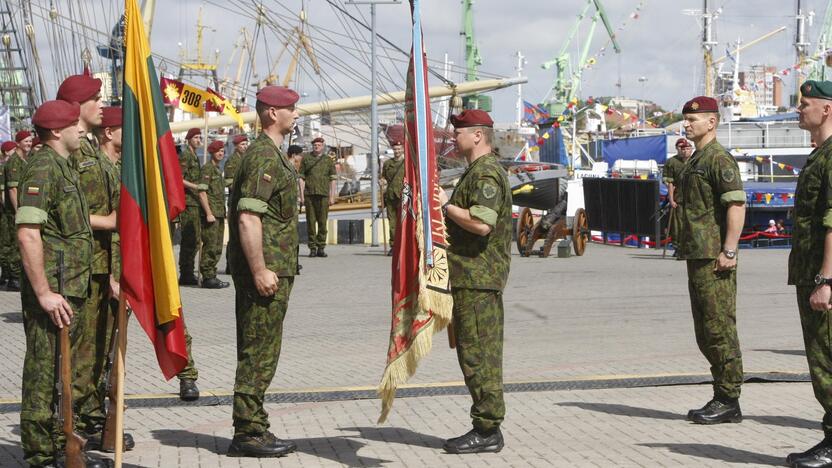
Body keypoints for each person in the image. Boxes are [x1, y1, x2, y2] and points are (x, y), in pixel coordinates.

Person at [17, 99, 110, 467]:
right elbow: (28, 233)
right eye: (75, 124)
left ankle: (58, 446)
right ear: (56, 131)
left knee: (60, 371)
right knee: (43, 371)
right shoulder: (42, 168)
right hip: (53, 292)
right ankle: (41, 456)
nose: (82, 129)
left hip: (69, 287)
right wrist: (43, 292)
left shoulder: (61, 165)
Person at [58, 75, 134, 452]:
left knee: (99, 348)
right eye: (96, 100)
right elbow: (76, 215)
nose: (102, 107)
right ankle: (77, 423)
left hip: (103, 266)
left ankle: (89, 419)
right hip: (87, 268)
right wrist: (109, 222)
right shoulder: (83, 159)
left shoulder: (92, 155)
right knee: (84, 352)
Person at [226, 85, 300, 457]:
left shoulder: (270, 154)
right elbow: (248, 217)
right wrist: (259, 269)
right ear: (272, 112)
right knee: (258, 351)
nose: (296, 114)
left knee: (262, 349)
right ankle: (248, 432)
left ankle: (253, 424)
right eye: (291, 108)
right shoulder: (263, 157)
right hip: (265, 272)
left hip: (274, 268)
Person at [437, 109, 511, 454]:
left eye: (460, 132)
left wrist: (445, 205)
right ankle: (485, 425)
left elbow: (482, 223)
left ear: (478, 136)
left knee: (480, 355)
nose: (455, 137)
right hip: (470, 276)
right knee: (472, 353)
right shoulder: (477, 171)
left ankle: (487, 429)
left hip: (479, 277)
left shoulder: (486, 173)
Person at [675, 96, 746, 425]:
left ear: (711, 122)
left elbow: (736, 205)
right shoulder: (695, 159)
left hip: (714, 256)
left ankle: (729, 398)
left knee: (719, 328)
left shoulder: (718, 159)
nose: (687, 124)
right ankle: (721, 393)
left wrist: (729, 250)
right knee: (704, 330)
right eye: (686, 119)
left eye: (693, 119)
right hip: (697, 254)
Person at [784, 80, 832, 468]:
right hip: (811, 272)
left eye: (805, 104)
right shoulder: (820, 155)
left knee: (827, 364)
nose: (799, 109)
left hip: (823, 277)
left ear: (827, 109)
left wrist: (826, 279)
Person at [3, 130, 34, 291]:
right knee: (15, 243)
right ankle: (13, 278)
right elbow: (13, 189)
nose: (29, 144)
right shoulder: (14, 162)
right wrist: (18, 211)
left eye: (30, 141)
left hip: (24, 207)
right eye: (26, 141)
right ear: (18, 143)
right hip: (15, 210)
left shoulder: (24, 160)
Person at [198, 140, 230, 289]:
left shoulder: (217, 169)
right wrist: (208, 213)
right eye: (218, 151)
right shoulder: (208, 169)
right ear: (212, 152)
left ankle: (212, 275)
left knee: (217, 246)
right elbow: (202, 192)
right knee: (210, 245)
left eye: (223, 151)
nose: (221, 154)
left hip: (219, 213)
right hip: (211, 214)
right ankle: (207, 276)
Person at [299, 136, 336, 257]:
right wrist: (301, 196)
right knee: (310, 222)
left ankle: (321, 246)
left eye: (319, 145)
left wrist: (332, 196)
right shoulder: (306, 159)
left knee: (322, 222)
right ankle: (312, 248)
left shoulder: (328, 160)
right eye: (315, 145)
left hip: (324, 195)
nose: (317, 147)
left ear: (323, 146)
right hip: (309, 194)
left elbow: (333, 179)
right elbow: (301, 178)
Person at [178, 127, 203, 285]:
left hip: (195, 202)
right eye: (196, 138)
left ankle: (189, 271)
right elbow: (179, 178)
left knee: (195, 239)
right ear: (189, 139)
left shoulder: (195, 156)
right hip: (188, 202)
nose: (199, 140)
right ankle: (185, 273)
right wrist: (196, 187)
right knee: (189, 239)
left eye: (200, 137)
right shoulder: (186, 155)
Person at [222, 134, 248, 275]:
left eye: (246, 144)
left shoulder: (246, 159)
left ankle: (240, 264)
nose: (245, 146)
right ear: (236, 146)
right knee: (234, 236)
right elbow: (229, 182)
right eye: (242, 144)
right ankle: (230, 265)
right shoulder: (232, 161)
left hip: (244, 201)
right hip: (235, 201)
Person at [381, 140, 405, 255]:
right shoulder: (387, 164)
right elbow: (384, 178)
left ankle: (404, 246)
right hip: (390, 196)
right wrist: (382, 181)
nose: (397, 151)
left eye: (399, 149)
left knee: (404, 222)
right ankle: (394, 245)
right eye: (395, 149)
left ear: (403, 149)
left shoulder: (407, 163)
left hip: (403, 196)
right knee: (392, 223)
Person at [0, 140, 15, 286]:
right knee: (6, 242)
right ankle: (7, 274)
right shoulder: (4, 167)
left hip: (5, 211)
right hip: (4, 211)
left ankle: (6, 274)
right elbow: (4, 192)